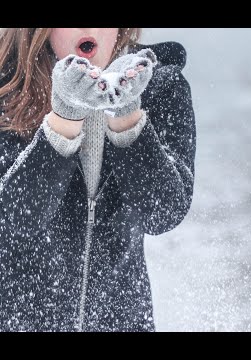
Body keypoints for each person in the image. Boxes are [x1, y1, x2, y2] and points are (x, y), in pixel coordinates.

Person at [0, 28, 196, 332]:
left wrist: (126, 116)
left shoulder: (160, 87)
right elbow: (13, 219)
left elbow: (163, 213)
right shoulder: (7, 88)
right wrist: (64, 118)